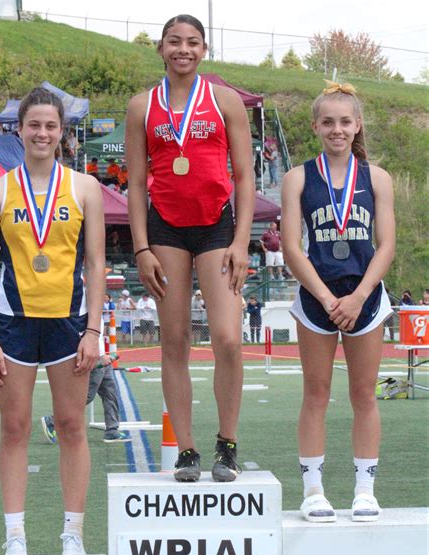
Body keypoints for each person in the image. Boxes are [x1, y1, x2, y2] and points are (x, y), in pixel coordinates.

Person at [0, 87, 105, 555]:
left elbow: (95, 263)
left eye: (51, 126)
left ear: (61, 132)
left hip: (69, 322)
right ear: (20, 129)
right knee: (15, 427)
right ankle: (14, 536)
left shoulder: (84, 188)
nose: (43, 133)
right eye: (34, 125)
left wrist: (93, 330)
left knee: (72, 425)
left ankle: (73, 533)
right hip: (12, 323)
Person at [126, 14, 255, 483]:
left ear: (204, 49)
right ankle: (186, 450)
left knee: (226, 337)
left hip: (217, 226)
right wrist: (141, 248)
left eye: (192, 42)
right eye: (174, 41)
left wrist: (242, 241)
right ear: (160, 48)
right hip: (166, 230)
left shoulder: (224, 101)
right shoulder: (142, 105)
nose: (183, 49)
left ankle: (227, 443)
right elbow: (137, 182)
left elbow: (244, 175)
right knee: (174, 340)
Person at [281, 81, 395, 523]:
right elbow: (292, 247)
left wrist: (360, 295)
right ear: (315, 126)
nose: (337, 129)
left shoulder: (377, 178)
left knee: (364, 393)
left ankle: (365, 489)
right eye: (328, 121)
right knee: (316, 392)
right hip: (317, 298)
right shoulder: (299, 177)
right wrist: (329, 299)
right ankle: (313, 490)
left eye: (345, 121)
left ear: (357, 125)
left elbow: (385, 245)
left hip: (365, 298)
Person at [41, 326, 131, 445]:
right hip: (96, 358)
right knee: (86, 396)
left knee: (110, 394)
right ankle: (52, 421)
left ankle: (112, 431)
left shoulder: (100, 311)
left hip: (102, 358)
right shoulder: (92, 310)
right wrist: (100, 355)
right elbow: (92, 332)